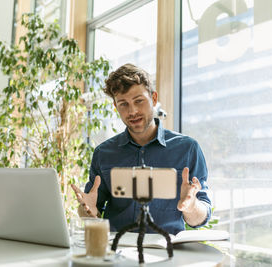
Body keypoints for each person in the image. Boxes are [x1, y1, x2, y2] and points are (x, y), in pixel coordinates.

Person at [71, 63, 211, 235]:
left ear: (153, 98)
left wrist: (190, 206)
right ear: (115, 107)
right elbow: (92, 210)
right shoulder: (103, 153)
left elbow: (200, 219)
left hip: (167, 252)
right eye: (123, 104)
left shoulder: (187, 149)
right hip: (117, 250)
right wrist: (87, 212)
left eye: (139, 101)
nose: (133, 111)